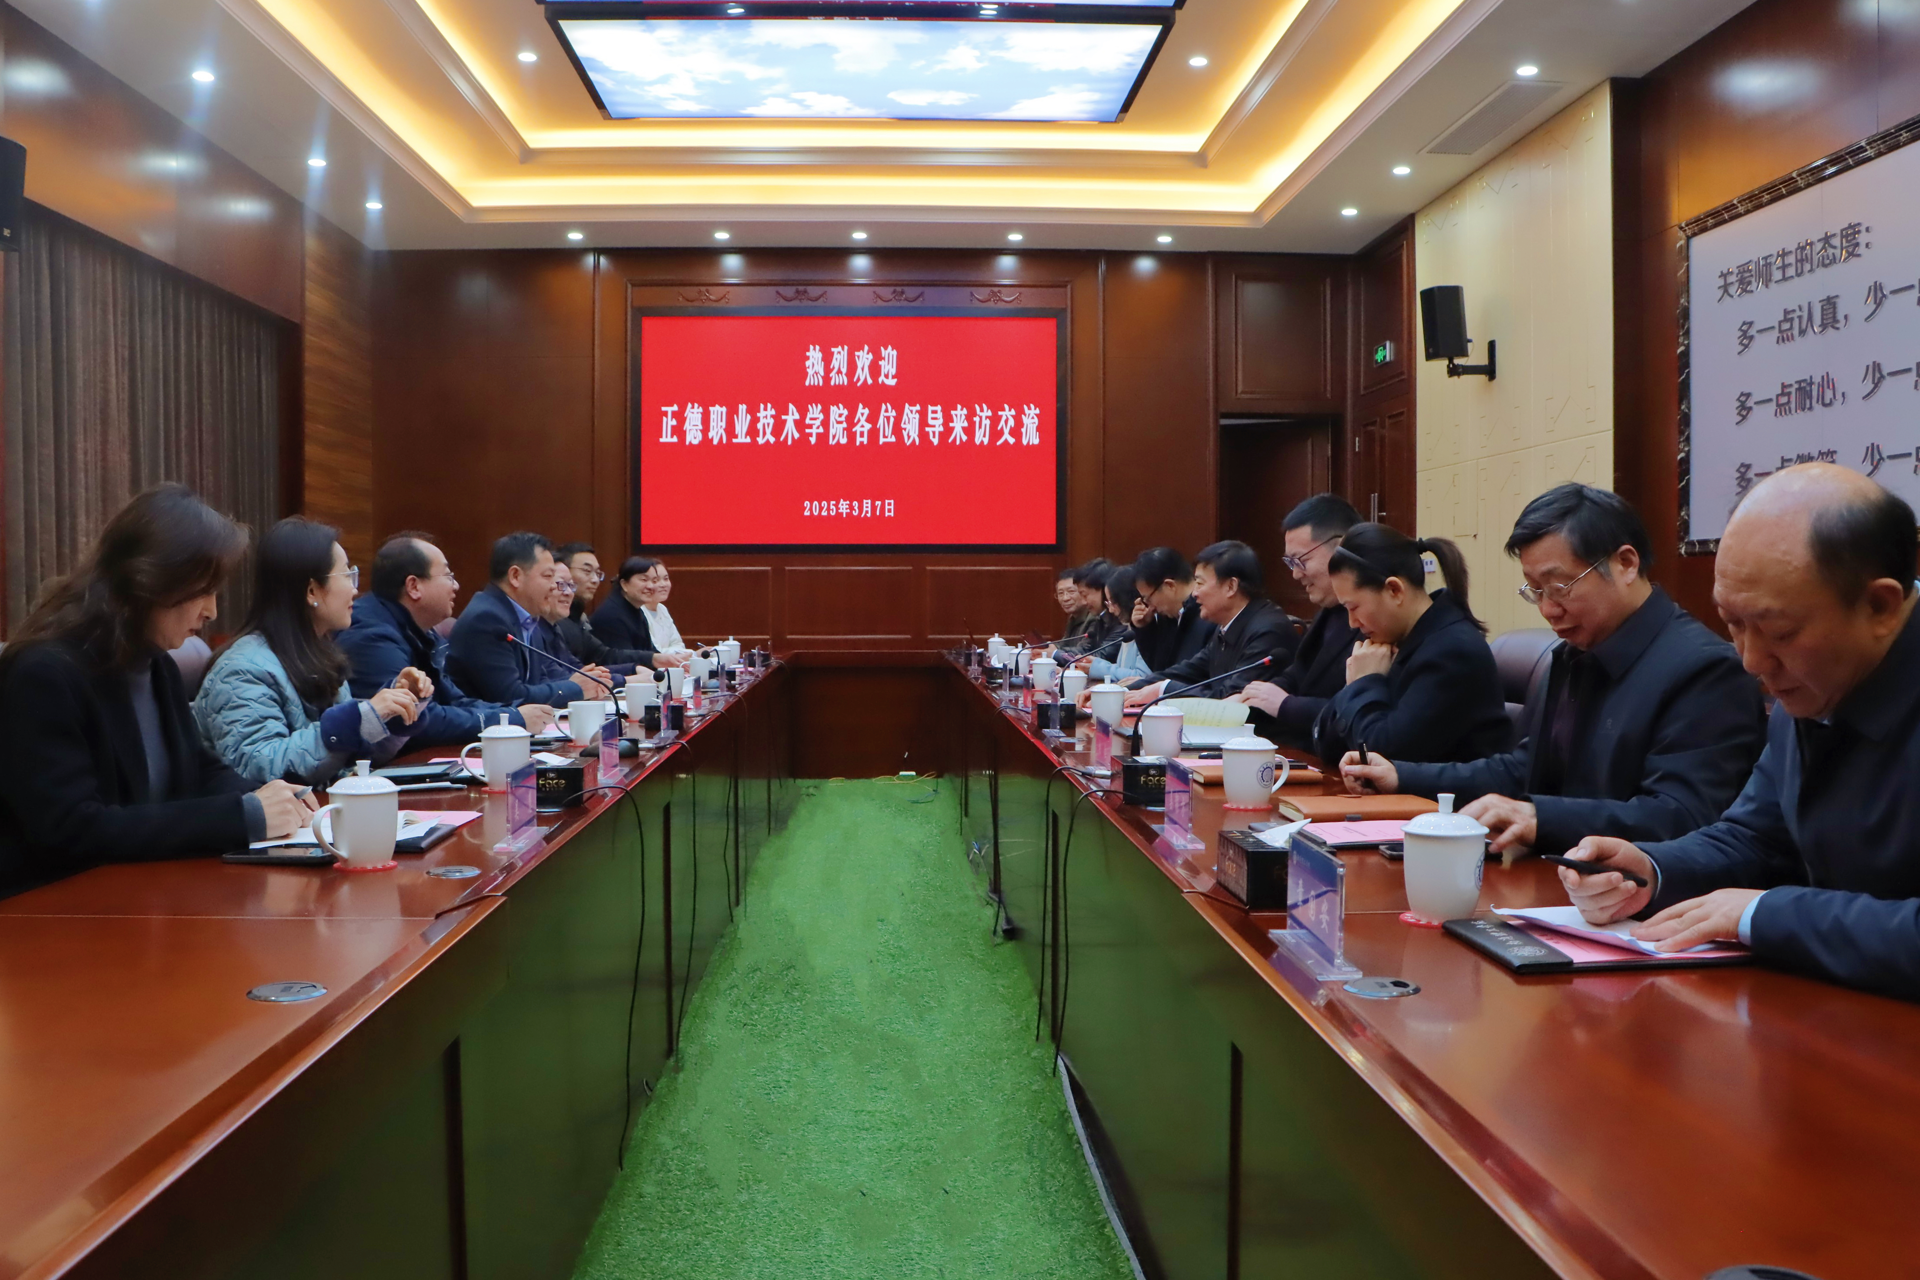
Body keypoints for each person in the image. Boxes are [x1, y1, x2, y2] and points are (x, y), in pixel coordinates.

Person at [1559, 464, 1920, 1000]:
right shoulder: (1812, 682)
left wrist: (1764, 913)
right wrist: (1651, 869)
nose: (1751, 661)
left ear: (1879, 606)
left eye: (1779, 632)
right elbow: (1756, 836)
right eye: (1732, 624)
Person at [1340, 485, 1766, 856]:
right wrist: (1402, 775)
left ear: (1626, 563)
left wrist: (1539, 817)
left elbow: (1682, 816)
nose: (1547, 609)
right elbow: (1524, 768)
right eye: (1536, 590)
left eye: (1560, 587)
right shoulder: (1571, 656)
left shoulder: (1704, 671)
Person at [0, 486, 317, 896]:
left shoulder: (156, 664)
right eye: (203, 591)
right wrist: (242, 816)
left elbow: (198, 769)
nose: (212, 611)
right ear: (152, 581)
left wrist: (269, 796)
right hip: (54, 909)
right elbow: (71, 829)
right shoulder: (44, 673)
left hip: (143, 895)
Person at [195, 518, 427, 786]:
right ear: (312, 590)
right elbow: (259, 769)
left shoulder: (320, 654)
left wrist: (394, 713)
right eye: (347, 575)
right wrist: (356, 720)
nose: (355, 589)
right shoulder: (243, 669)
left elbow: (346, 761)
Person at [339, 533, 557, 748]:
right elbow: (415, 720)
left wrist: (512, 714)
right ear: (414, 586)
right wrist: (512, 720)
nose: (456, 586)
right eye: (447, 576)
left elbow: (453, 700)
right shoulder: (372, 636)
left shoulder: (419, 631)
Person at [1316, 522, 1507, 765]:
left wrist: (1364, 683)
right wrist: (1356, 685)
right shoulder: (1392, 643)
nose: (1352, 623)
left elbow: (1383, 758)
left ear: (1394, 590)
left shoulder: (1452, 652)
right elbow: (1323, 740)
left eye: (1353, 607)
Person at [1232, 494, 1362, 750]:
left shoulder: (1374, 618)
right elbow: (1298, 674)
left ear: (1341, 548)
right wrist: (1254, 697)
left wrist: (1285, 705)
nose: (1295, 574)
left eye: (1301, 560)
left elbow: (1356, 710)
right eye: (1290, 563)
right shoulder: (1329, 610)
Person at [448, 532, 611, 707]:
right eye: (548, 576)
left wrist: (583, 684)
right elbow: (510, 696)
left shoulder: (527, 618)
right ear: (515, 576)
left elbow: (540, 681)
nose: (553, 586)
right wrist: (575, 688)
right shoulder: (487, 619)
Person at [1124, 541, 1298, 704]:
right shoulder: (1226, 627)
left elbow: (1230, 700)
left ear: (1230, 587)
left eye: (1200, 583)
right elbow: (1187, 671)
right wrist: (1126, 690)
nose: (1194, 593)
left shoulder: (1267, 632)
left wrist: (1164, 689)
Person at [553, 543, 664, 673]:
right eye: (587, 571)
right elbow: (572, 674)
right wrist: (628, 675)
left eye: (597, 573)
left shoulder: (576, 619)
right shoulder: (611, 614)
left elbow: (603, 655)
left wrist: (653, 659)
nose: (595, 580)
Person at [1128, 547, 1217, 675]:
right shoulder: (1168, 617)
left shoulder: (1209, 615)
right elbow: (1160, 669)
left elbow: (1192, 676)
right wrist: (1146, 629)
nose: (1150, 607)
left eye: (1148, 598)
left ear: (1169, 586)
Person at [542, 563, 632, 689]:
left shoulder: (555, 628)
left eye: (571, 585)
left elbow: (577, 669)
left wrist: (634, 669)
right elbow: (560, 677)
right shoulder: (535, 629)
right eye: (561, 584)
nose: (568, 593)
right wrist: (626, 680)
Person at [1074, 564, 1153, 685]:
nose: (1110, 610)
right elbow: (1123, 667)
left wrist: (1098, 668)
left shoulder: (1148, 627)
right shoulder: (1129, 627)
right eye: (1108, 603)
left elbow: (1141, 676)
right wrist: (1096, 664)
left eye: (1112, 602)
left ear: (1124, 599)